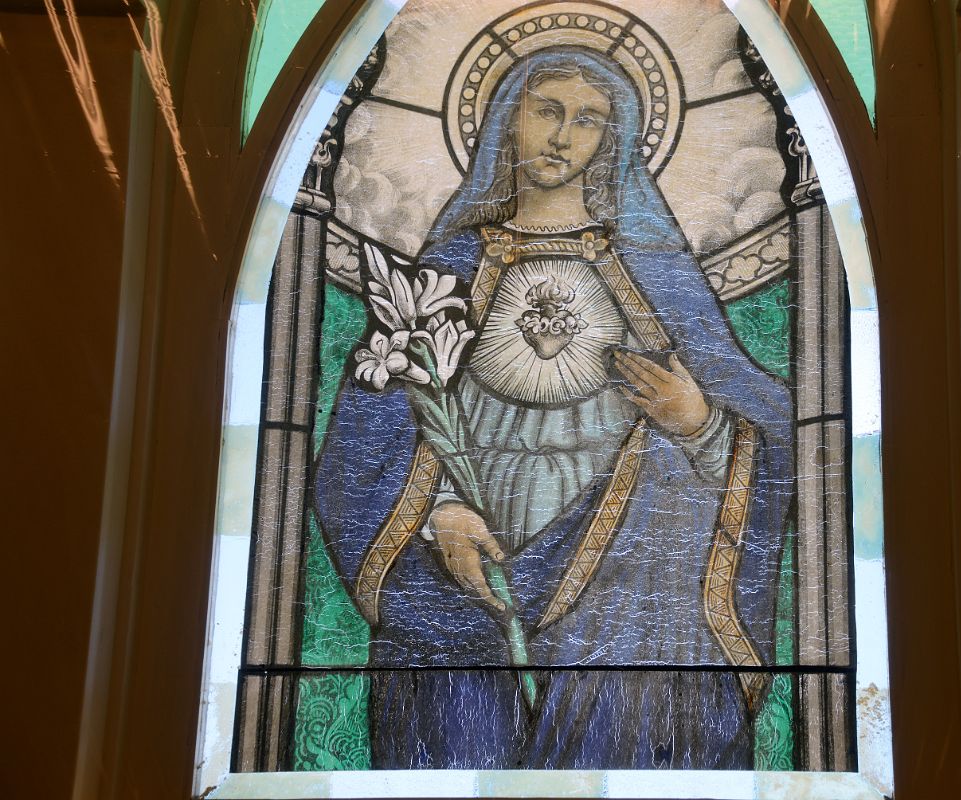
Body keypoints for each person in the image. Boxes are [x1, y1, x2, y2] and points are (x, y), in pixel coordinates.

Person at [315, 46, 794, 769]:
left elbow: (768, 427)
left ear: (615, 141)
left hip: (617, 595)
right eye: (548, 110)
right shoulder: (450, 266)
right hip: (464, 571)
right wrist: (439, 508)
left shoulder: (657, 273)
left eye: (589, 120)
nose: (563, 135)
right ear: (509, 119)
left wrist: (699, 424)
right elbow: (369, 431)